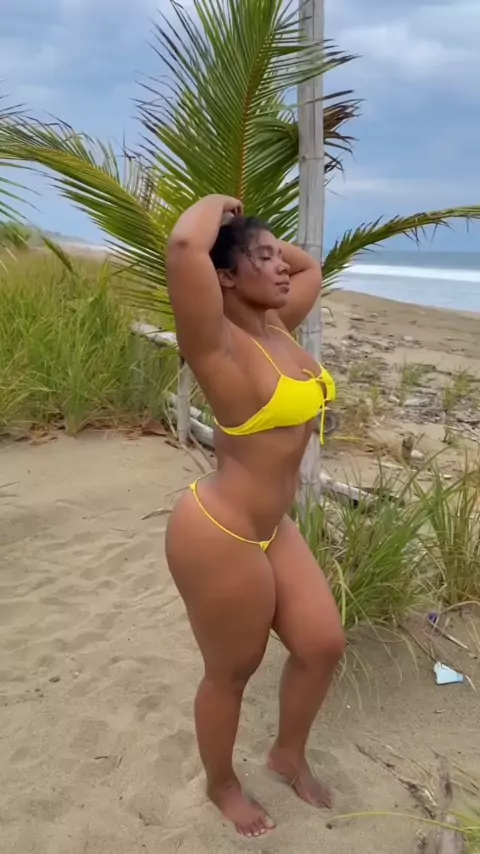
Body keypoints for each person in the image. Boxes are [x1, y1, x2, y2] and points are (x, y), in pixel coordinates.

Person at [165, 194, 345, 838]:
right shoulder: (219, 346)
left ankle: (286, 754)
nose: (282, 267)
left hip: (273, 527)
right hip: (221, 531)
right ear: (224, 277)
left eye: (277, 257)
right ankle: (221, 784)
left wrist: (255, 237)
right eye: (263, 260)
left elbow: (311, 267)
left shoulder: (279, 327)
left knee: (322, 644)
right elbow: (185, 246)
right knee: (232, 671)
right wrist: (220, 208)